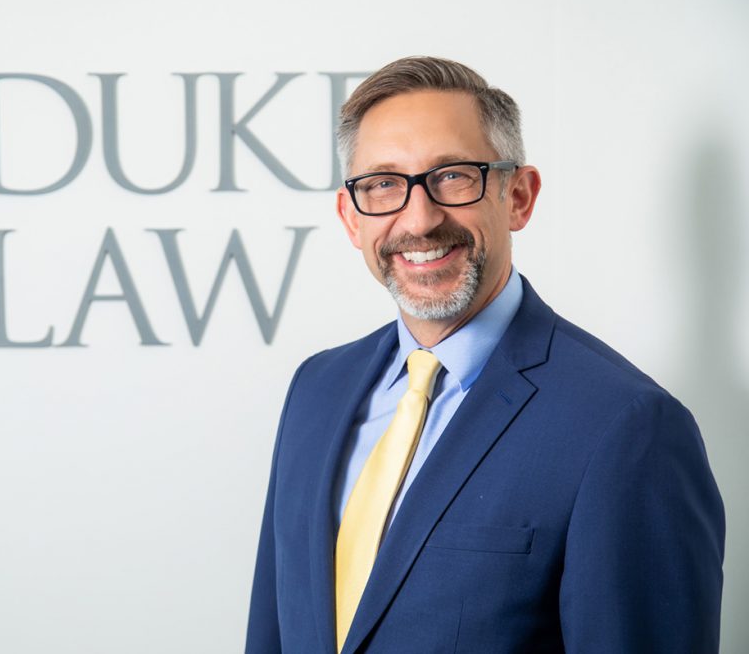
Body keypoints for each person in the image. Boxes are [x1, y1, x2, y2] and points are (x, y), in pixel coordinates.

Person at [245, 56, 724, 654]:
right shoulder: (317, 389)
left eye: (453, 176)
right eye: (383, 184)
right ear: (350, 217)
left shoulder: (627, 427)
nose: (419, 220)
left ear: (518, 196)